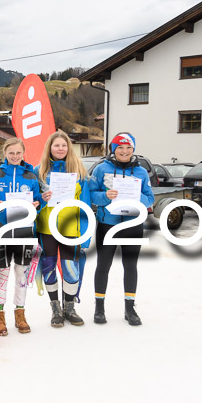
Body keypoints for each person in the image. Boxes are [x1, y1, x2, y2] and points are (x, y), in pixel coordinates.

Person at [88, 133, 154, 326]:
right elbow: (91, 195)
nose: (124, 151)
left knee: (130, 266)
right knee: (103, 265)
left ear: (133, 149)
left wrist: (137, 197)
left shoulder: (141, 172)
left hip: (133, 224)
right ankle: (99, 308)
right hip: (108, 224)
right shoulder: (101, 169)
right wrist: (105, 196)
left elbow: (150, 198)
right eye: (120, 148)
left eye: (128, 148)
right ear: (113, 149)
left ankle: (130, 308)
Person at [0, 138, 43, 336]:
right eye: (11, 153)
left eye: (18, 153)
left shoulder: (31, 176)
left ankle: (20, 314)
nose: (15, 156)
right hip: (1, 231)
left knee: (21, 273)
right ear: (5, 153)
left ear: (23, 153)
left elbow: (38, 200)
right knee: (3, 273)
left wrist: (37, 205)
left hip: (25, 232)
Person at [35, 131, 90, 327]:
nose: (60, 149)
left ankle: (70, 307)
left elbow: (86, 203)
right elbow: (33, 202)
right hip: (47, 229)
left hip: (70, 228)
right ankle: (55, 308)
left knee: (70, 269)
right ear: (49, 147)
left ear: (69, 148)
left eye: (64, 146)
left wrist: (85, 232)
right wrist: (42, 201)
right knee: (49, 268)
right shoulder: (39, 171)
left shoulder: (79, 171)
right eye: (56, 145)